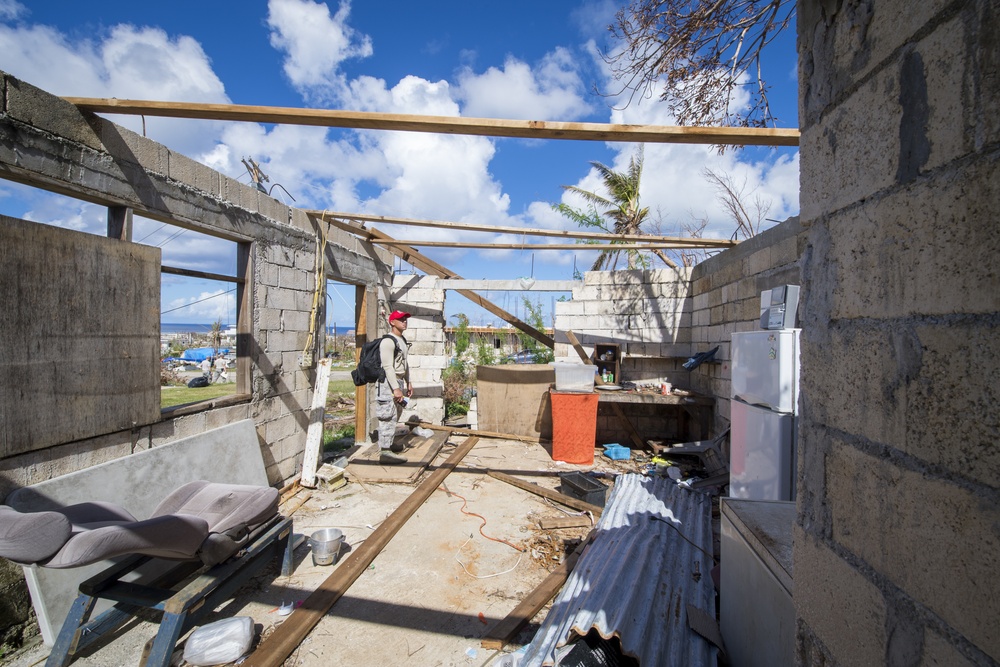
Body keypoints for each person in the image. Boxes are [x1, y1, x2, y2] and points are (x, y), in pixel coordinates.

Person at [376, 310, 413, 464]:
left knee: (395, 414)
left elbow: (404, 363)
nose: (404, 321)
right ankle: (385, 452)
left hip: (397, 381)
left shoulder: (401, 340)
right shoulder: (388, 341)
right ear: (392, 322)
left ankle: (389, 444)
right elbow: (387, 367)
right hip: (387, 384)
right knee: (387, 416)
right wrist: (395, 389)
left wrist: (408, 381)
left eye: (405, 319)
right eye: (400, 319)